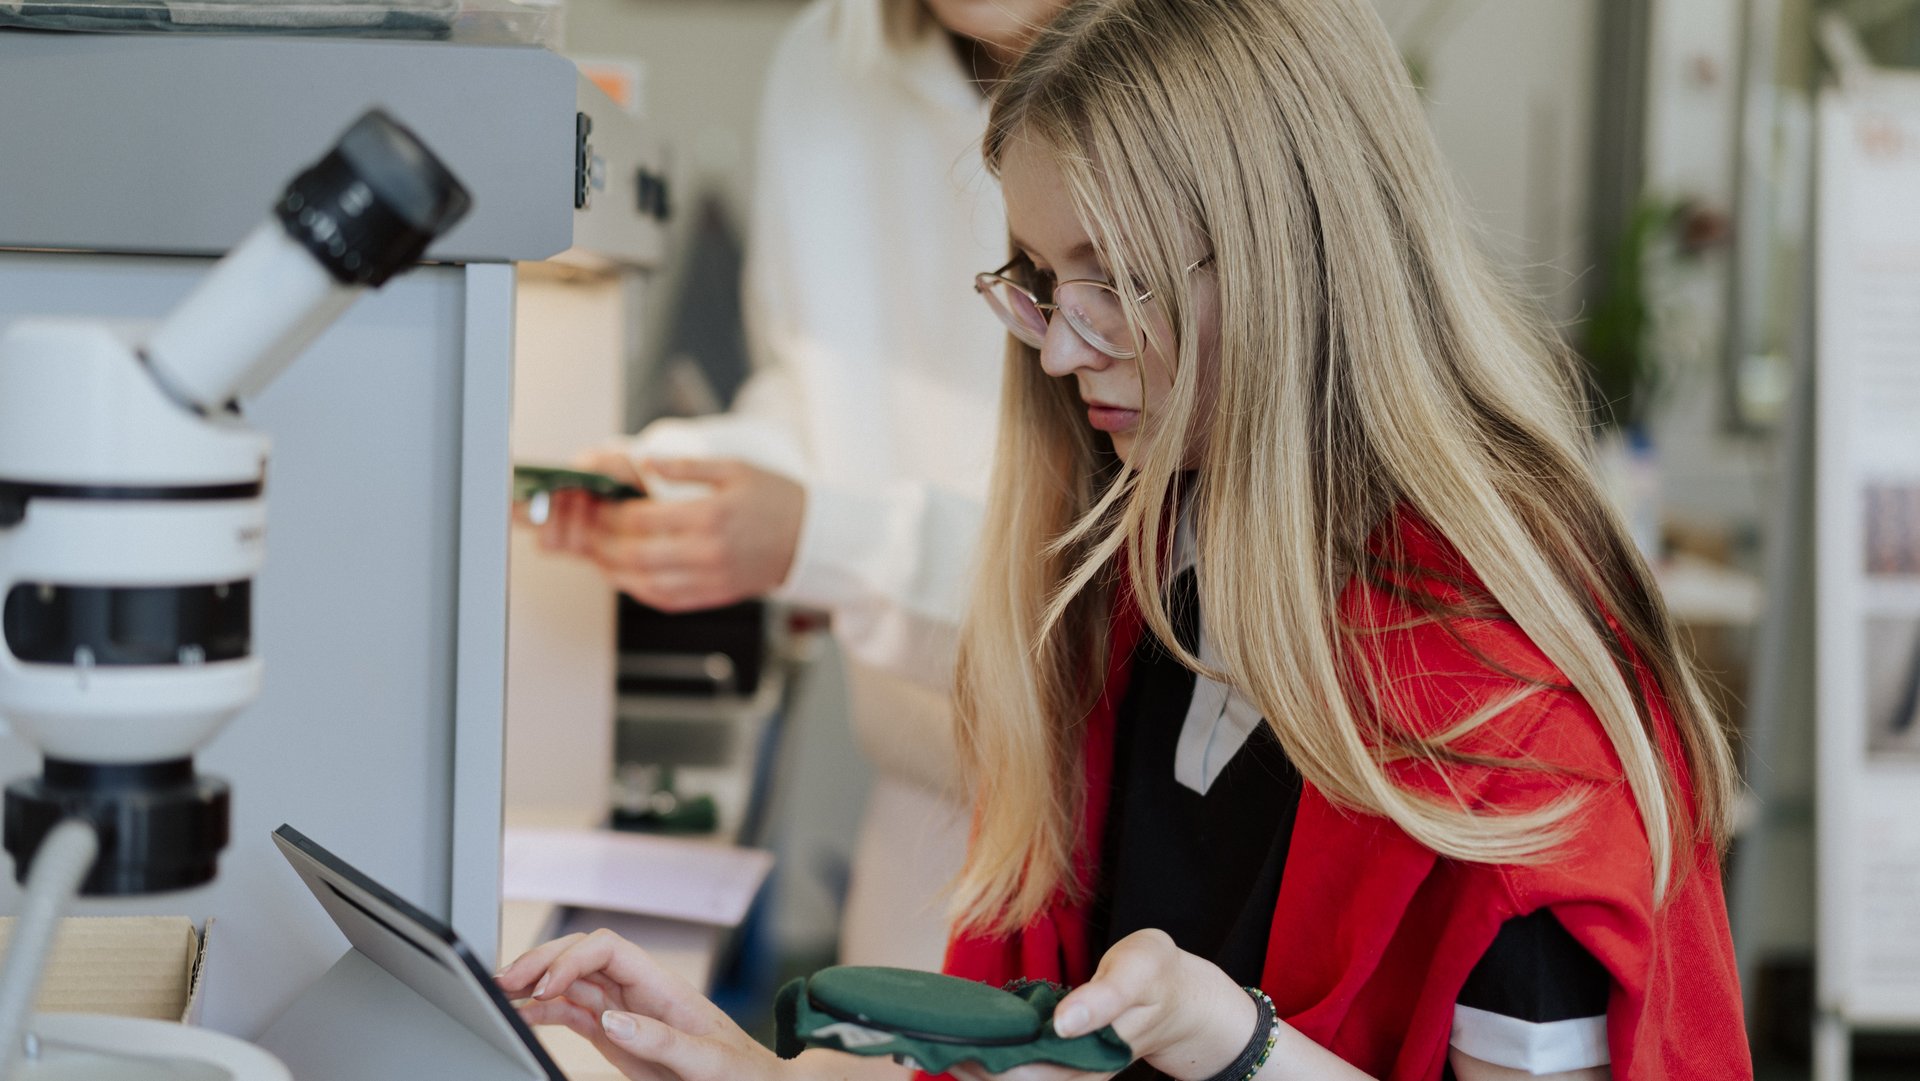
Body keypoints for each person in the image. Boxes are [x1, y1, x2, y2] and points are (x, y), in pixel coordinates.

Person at [501, 1, 1754, 1079]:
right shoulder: (1133, 598)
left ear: (1290, 256)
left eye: (1116, 281)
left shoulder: (1511, 725)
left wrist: (1243, 1048)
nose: (1059, 347)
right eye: (1043, 282)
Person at [535, 0, 1070, 971]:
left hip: (1127, 805)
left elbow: (1122, 576)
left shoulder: (1204, 66)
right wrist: (699, 481)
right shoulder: (826, 63)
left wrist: (817, 538)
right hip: (927, 795)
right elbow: (811, 384)